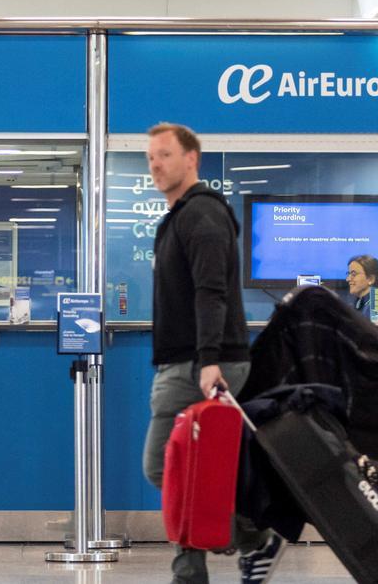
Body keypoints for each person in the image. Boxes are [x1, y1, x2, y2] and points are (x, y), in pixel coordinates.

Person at [141, 122, 285, 584]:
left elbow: (211, 291)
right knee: (187, 468)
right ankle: (203, 563)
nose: (156, 165)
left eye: (164, 155)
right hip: (193, 360)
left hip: (197, 364)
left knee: (162, 465)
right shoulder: (184, 215)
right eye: (150, 157)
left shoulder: (200, 214)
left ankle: (251, 536)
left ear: (192, 159)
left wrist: (207, 361)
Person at [346, 254, 378, 319]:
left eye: (353, 274)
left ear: (371, 279)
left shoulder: (376, 308)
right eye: (348, 274)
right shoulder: (359, 303)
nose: (348, 279)